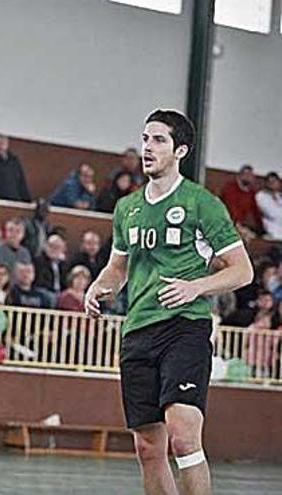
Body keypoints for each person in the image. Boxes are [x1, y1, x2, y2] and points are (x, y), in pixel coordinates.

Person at [85, 109, 253, 495]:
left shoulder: (201, 203)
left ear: (181, 150)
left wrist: (197, 287)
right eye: (145, 138)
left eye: (158, 140)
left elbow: (242, 271)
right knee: (147, 446)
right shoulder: (127, 209)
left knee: (182, 435)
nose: (147, 147)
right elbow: (117, 268)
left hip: (185, 327)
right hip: (137, 332)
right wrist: (97, 287)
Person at [256, 172, 282, 240]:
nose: (272, 184)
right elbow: (272, 214)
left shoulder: (279, 196)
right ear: (266, 183)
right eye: (270, 181)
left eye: (274, 181)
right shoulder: (261, 196)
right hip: (271, 228)